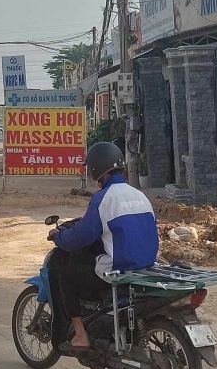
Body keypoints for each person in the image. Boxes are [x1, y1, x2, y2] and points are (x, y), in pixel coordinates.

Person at [47, 141, 159, 353]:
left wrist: (59, 237)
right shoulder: (140, 195)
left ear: (96, 169)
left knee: (66, 273)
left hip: (118, 268)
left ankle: (80, 334)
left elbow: (80, 237)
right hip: (146, 265)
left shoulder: (102, 199)